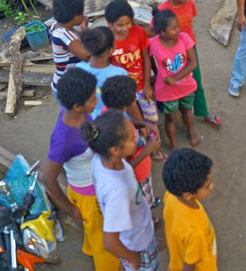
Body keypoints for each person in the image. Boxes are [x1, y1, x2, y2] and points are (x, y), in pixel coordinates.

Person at [43, 68, 120, 270]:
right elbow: (49, 178)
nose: (97, 100)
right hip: (88, 195)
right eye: (93, 99)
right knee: (105, 240)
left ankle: (89, 248)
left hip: (91, 184)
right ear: (77, 106)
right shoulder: (63, 140)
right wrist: (71, 209)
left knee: (93, 230)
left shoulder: (76, 114)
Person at [82, 110, 160, 271]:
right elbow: (110, 242)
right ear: (115, 150)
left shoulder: (101, 159)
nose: (137, 138)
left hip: (136, 232)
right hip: (138, 245)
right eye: (132, 138)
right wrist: (133, 258)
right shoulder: (118, 192)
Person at [157, 0, 222, 127]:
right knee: (173, 81)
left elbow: (190, 20)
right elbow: (157, 32)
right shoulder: (162, 11)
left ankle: (203, 112)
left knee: (196, 80)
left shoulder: (190, 4)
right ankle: (178, 111)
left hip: (189, 47)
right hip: (170, 52)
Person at [101, 75, 162, 211]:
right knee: (142, 201)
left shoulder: (109, 112)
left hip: (140, 167)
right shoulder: (116, 132)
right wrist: (148, 150)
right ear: (127, 105)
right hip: (137, 173)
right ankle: (149, 214)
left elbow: (128, 122)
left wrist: (142, 123)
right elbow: (121, 167)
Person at [105, 0, 162, 144]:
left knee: (152, 118)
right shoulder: (106, 39)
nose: (125, 28)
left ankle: (154, 143)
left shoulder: (139, 33)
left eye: (128, 23)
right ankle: (141, 142)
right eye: (120, 25)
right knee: (131, 121)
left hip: (141, 84)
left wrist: (148, 84)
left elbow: (146, 58)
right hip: (122, 90)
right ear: (110, 24)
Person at [149, 9, 199, 148]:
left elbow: (193, 63)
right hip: (166, 90)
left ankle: (191, 133)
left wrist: (175, 78)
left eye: (177, 26)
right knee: (169, 117)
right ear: (162, 32)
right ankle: (173, 144)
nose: (178, 30)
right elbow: (149, 60)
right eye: (173, 28)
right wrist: (156, 73)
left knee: (187, 110)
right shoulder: (153, 43)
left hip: (186, 85)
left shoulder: (184, 38)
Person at [162, 148, 217, 271]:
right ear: (187, 195)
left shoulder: (171, 196)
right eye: (207, 186)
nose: (211, 186)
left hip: (177, 261)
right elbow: (190, 264)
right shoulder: (196, 231)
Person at [76, 26, 128, 119]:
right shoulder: (120, 73)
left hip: (93, 119)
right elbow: (129, 104)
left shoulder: (79, 69)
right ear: (111, 49)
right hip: (117, 120)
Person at [50, 0, 90, 99]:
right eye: (82, 13)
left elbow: (75, 40)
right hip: (68, 89)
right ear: (76, 17)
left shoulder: (57, 26)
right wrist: (85, 30)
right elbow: (87, 56)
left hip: (64, 84)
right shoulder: (64, 35)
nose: (84, 15)